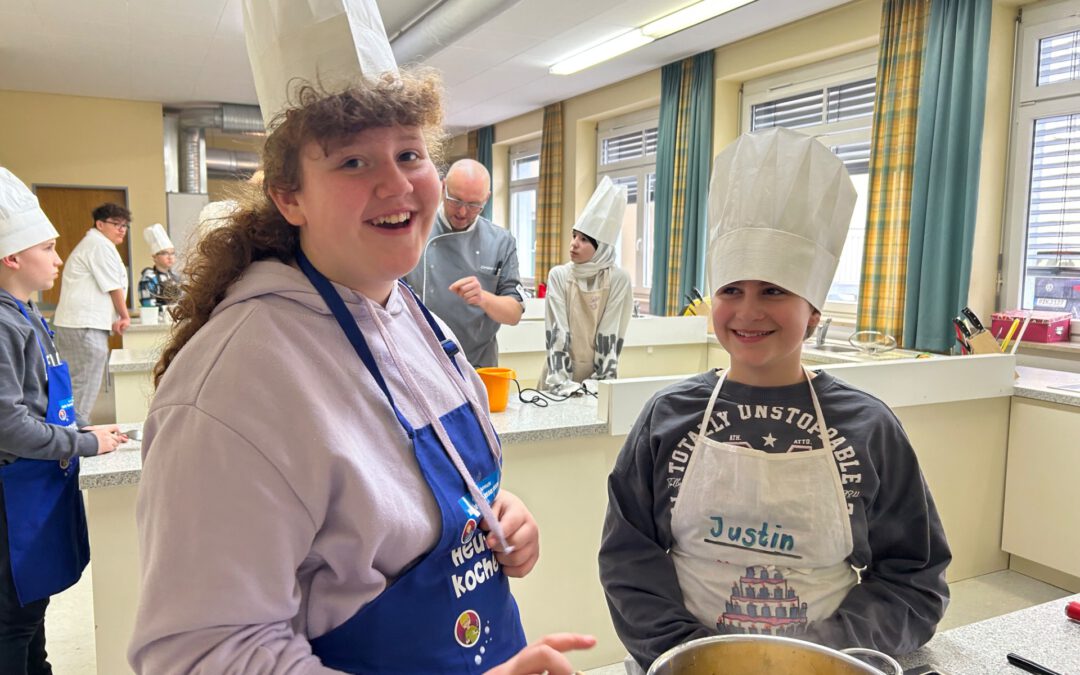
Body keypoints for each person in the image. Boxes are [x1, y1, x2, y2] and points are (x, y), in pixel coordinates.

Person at [127, 73, 592, 674]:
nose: (396, 183)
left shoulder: (419, 322)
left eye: (409, 154)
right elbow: (200, 653)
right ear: (289, 198)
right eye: (352, 161)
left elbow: (395, 503)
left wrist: (497, 509)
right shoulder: (234, 384)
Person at [598, 128, 951, 672]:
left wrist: (818, 655)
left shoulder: (868, 426)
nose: (748, 311)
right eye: (731, 289)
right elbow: (630, 559)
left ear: (813, 310)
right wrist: (696, 656)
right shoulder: (668, 417)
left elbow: (914, 577)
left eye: (775, 290)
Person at [0, 167, 124, 674]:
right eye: (49, 249)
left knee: (32, 618)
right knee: (13, 621)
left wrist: (80, 436)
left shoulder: (26, 313)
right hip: (13, 492)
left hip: (35, 481)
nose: (58, 259)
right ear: (12, 257)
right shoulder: (4, 322)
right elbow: (8, 424)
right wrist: (83, 444)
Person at [404, 159, 525, 368]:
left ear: (486, 199)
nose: (462, 212)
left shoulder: (501, 242)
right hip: (420, 360)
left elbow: (514, 313)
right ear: (443, 188)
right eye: (455, 200)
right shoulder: (412, 229)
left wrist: (483, 298)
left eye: (473, 205)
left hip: (478, 364)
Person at [541, 176, 633, 395]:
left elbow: (609, 335)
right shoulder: (559, 275)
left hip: (598, 386)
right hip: (558, 379)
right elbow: (557, 333)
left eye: (583, 239)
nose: (574, 244)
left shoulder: (618, 279)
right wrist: (563, 384)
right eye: (574, 236)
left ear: (600, 248)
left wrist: (598, 384)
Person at [52, 202, 132, 423]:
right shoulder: (98, 244)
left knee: (77, 381)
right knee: (83, 382)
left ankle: (70, 430)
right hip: (83, 326)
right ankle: (75, 433)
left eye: (125, 225)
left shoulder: (99, 244)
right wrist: (124, 316)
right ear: (100, 224)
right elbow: (112, 286)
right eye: (116, 224)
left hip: (80, 324)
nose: (122, 230)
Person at [137, 223, 180, 308]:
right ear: (154, 257)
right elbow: (149, 307)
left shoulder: (175, 277)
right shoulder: (149, 278)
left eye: (172, 253)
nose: (170, 257)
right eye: (164, 253)